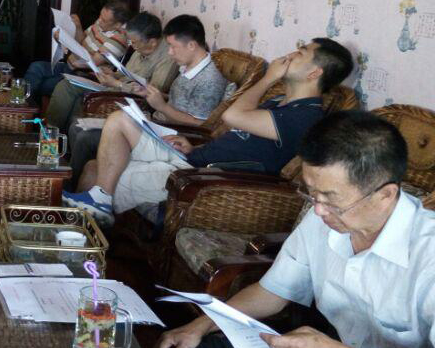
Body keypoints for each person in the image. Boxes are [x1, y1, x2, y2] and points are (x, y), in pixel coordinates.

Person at [153, 110, 435, 348]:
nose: (318, 211)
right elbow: (272, 291)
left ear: (385, 195)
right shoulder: (324, 218)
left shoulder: (428, 254)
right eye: (312, 194)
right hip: (324, 345)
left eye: (330, 199)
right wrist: (201, 325)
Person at [63, 38, 354, 226]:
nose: (289, 55)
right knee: (117, 123)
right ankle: (97, 209)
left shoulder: (304, 117)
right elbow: (236, 134)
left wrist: (269, 77)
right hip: (193, 156)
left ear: (314, 73)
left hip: (200, 176)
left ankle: (83, 247)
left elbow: (233, 116)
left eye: (300, 53)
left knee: (95, 171)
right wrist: (194, 146)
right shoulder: (280, 102)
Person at [66, 15, 228, 191]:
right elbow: (180, 102)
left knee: (87, 138)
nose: (169, 52)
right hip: (156, 125)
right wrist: (154, 95)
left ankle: (66, 188)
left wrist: (162, 106)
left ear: (191, 45)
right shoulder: (188, 66)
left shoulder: (209, 79)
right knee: (79, 127)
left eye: (173, 46)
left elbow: (200, 124)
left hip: (172, 137)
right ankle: (65, 188)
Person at [45, 11, 178, 132]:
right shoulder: (141, 47)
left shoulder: (168, 57)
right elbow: (126, 73)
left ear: (153, 42)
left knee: (73, 100)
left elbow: (153, 93)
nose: (132, 46)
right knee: (66, 85)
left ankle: (52, 135)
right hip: (114, 86)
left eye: (134, 42)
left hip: (129, 99)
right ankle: (51, 133)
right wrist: (112, 74)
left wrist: (117, 84)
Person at [25, 0, 132, 104]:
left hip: (84, 75)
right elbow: (81, 42)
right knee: (36, 67)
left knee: (42, 85)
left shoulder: (119, 39)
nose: (99, 20)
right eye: (100, 15)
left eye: (104, 20)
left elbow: (91, 62)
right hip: (70, 67)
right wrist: (78, 27)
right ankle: (26, 105)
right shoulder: (99, 24)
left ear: (118, 25)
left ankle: (28, 108)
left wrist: (68, 46)